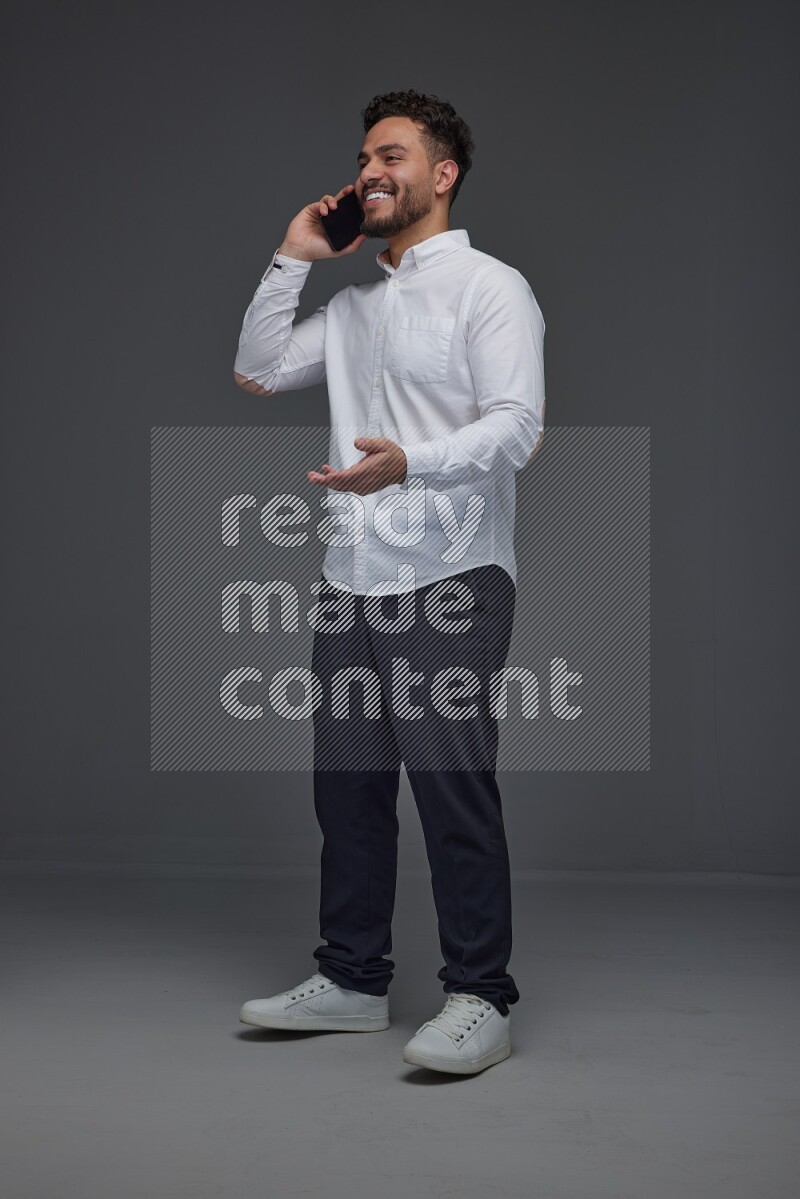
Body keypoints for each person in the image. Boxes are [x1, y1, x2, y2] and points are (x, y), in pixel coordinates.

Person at [233, 89, 546, 1075]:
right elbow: (256, 368)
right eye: (363, 156)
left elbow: (515, 425)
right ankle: (352, 977)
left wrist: (406, 462)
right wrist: (293, 253)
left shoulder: (491, 289)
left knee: (451, 788)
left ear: (440, 173)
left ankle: (480, 993)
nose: (369, 171)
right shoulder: (355, 306)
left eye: (390, 155)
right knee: (350, 789)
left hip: (450, 572)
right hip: (351, 577)